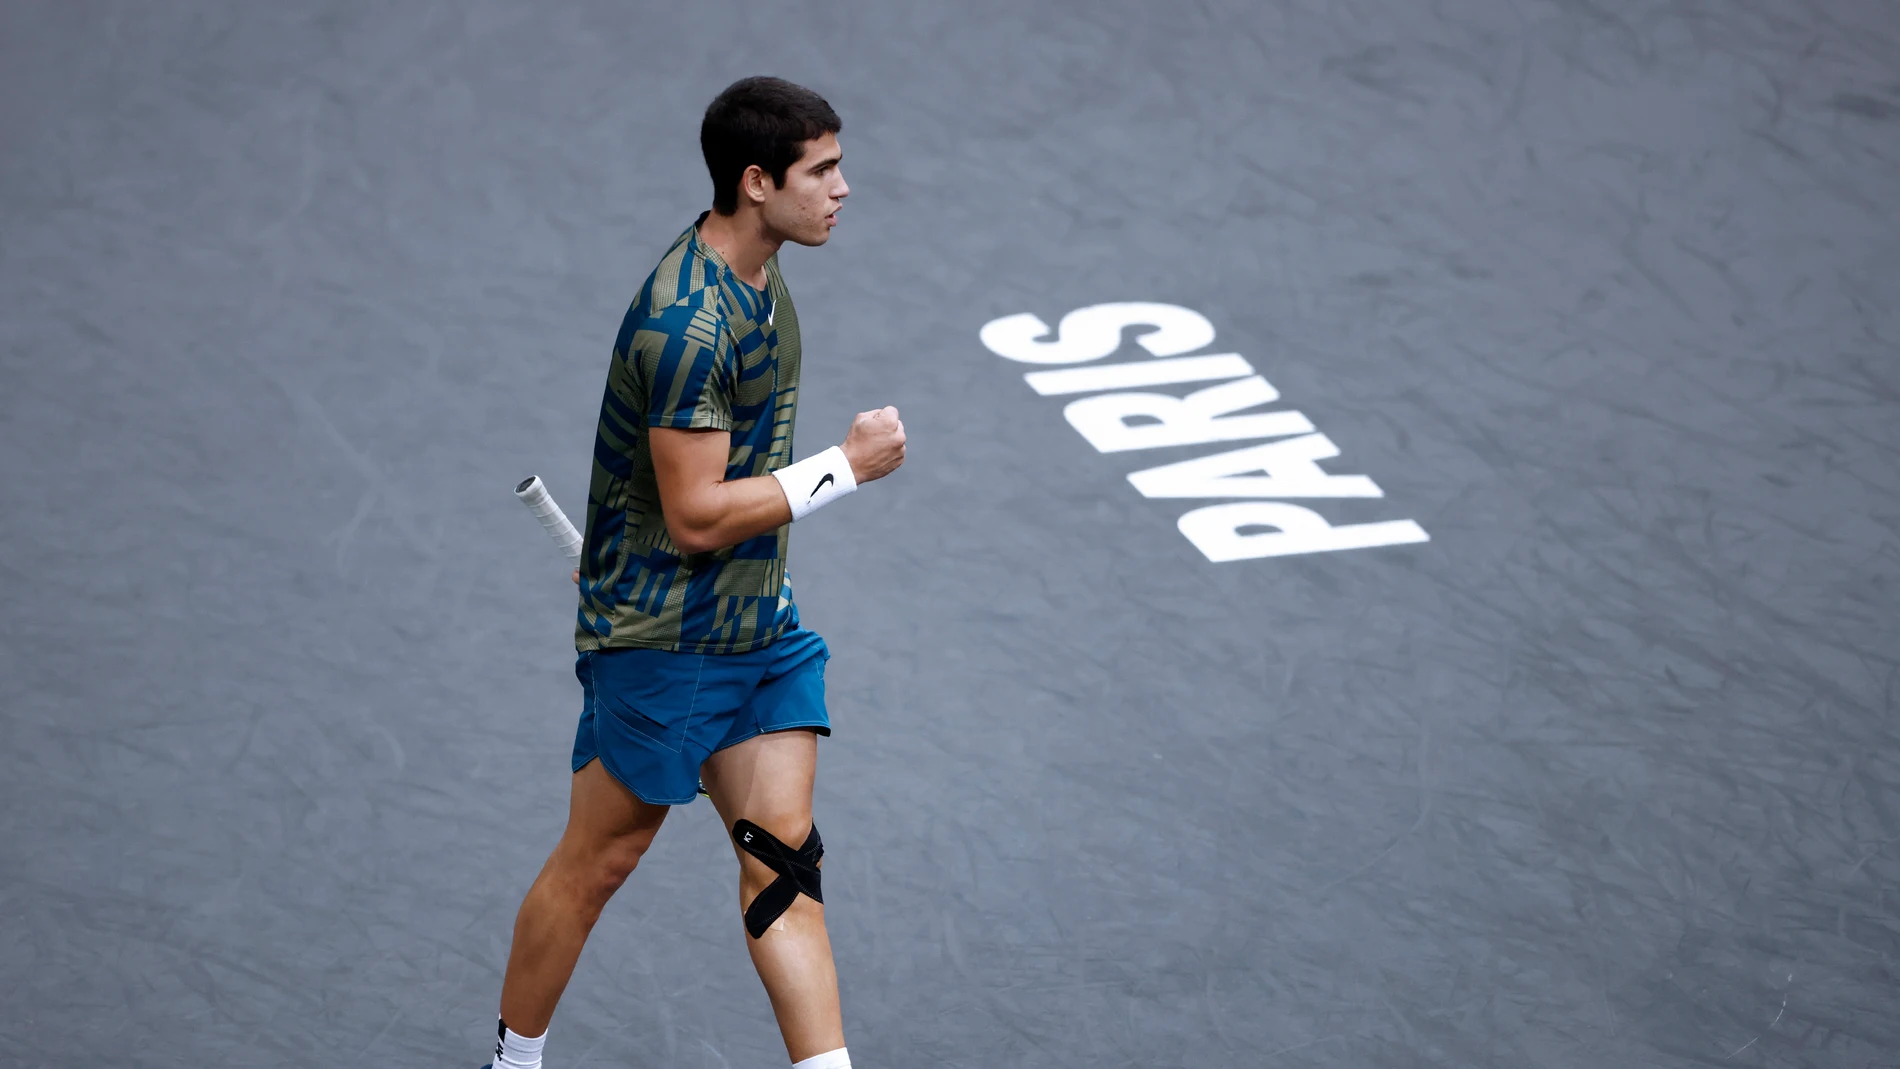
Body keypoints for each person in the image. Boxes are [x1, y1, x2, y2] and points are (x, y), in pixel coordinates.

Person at [485, 76, 904, 1069]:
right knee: (599, 861)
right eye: (823, 170)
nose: (843, 188)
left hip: (756, 630)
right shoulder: (687, 329)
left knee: (782, 863)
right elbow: (696, 514)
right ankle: (510, 1064)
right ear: (758, 182)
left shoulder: (760, 274)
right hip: (660, 642)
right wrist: (845, 467)